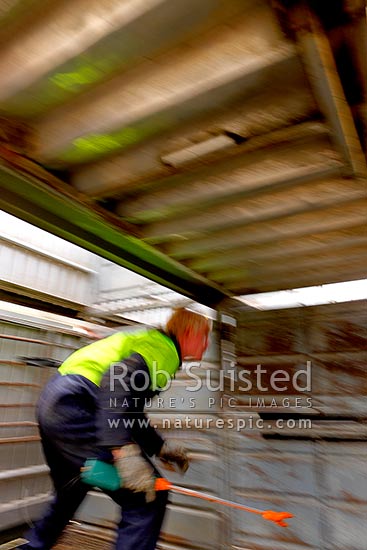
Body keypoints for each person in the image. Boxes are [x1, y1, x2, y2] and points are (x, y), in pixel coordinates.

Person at [20, 308, 211, 550]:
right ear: (189, 332)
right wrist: (123, 451)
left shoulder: (146, 342)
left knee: (73, 487)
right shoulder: (163, 349)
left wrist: (159, 447)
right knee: (147, 497)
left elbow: (128, 409)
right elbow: (115, 384)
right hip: (78, 405)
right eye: (204, 336)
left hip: (57, 405)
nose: (206, 345)